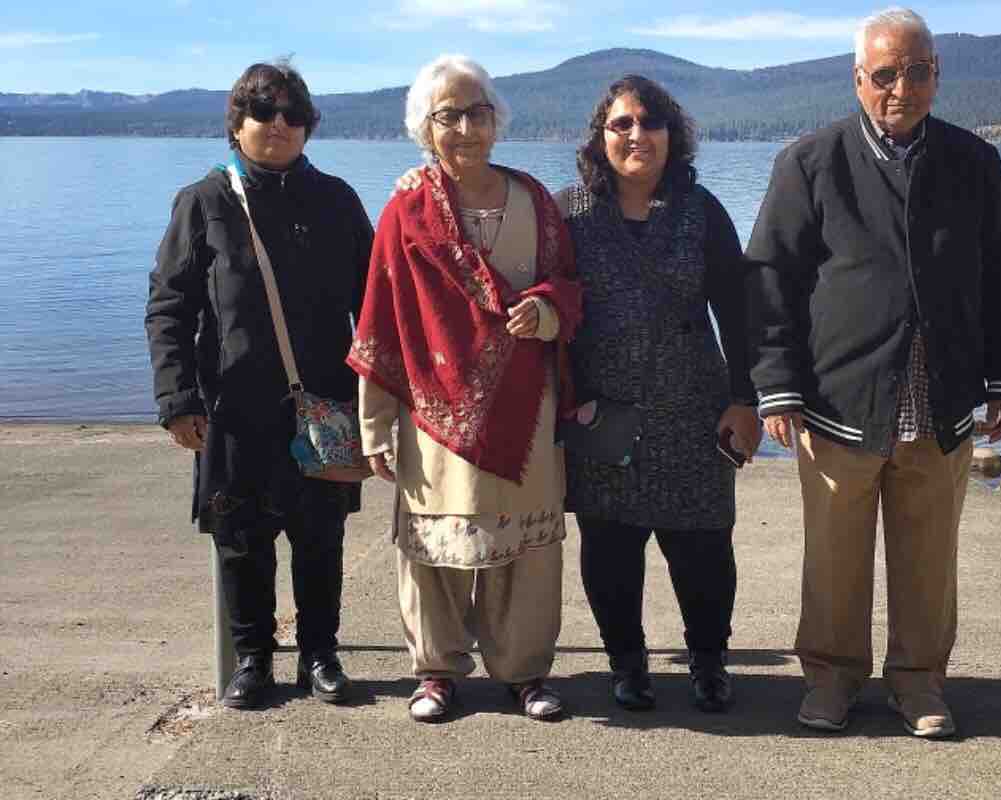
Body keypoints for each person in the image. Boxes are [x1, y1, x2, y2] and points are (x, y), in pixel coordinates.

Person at [745, 7, 1001, 737]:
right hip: (840, 401)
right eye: (885, 74)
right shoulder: (810, 162)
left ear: (937, 74)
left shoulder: (974, 162)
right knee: (834, 561)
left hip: (940, 401)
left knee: (928, 562)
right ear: (858, 80)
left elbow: (1000, 276)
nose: (901, 88)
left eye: (918, 71)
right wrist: (776, 387)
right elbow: (770, 280)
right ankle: (832, 679)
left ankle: (919, 683)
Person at [347, 55, 582, 723]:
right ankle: (436, 672)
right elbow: (382, 320)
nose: (465, 128)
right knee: (435, 550)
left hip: (526, 408)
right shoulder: (406, 210)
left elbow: (571, 285)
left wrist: (546, 310)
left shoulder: (535, 199)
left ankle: (525, 672)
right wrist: (374, 426)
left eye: (477, 112)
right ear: (425, 127)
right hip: (432, 411)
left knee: (526, 555)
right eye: (447, 115)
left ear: (496, 120)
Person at [146, 61, 373, 708]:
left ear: (308, 127)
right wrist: (177, 400)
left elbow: (374, 305)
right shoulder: (204, 202)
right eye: (263, 112)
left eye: (292, 114)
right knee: (240, 539)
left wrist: (381, 397)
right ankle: (253, 658)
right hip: (233, 407)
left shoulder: (336, 200)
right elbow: (169, 308)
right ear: (237, 123)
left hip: (323, 402)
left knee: (320, 536)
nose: (278, 124)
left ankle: (320, 654)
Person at [561, 75, 761, 713]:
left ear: (673, 136)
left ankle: (709, 661)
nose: (636, 135)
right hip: (603, 412)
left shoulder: (702, 211)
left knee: (704, 548)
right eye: (621, 124)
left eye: (651, 123)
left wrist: (745, 399)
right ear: (600, 137)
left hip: (694, 410)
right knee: (610, 549)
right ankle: (627, 663)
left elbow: (738, 311)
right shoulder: (568, 212)